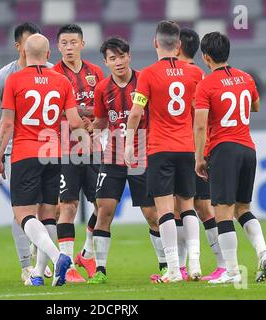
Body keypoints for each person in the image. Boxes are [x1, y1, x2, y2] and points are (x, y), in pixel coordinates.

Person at [0, 34, 85, 286]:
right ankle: (37, 273)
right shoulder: (62, 80)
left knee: (23, 214)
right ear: (48, 55)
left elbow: (7, 123)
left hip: (25, 153)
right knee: (47, 215)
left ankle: (58, 259)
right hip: (53, 152)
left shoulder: (15, 80)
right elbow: (75, 122)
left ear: (24, 53)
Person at [125, 20, 202, 283]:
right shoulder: (194, 74)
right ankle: (194, 264)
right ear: (179, 46)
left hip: (160, 148)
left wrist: (127, 143)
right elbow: (199, 112)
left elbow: (136, 113)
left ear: (155, 43)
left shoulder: (147, 74)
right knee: (188, 206)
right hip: (186, 147)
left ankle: (172, 268)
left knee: (165, 209)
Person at [194, 32, 266, 284]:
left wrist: (199, 157)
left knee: (223, 212)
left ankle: (230, 271)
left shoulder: (206, 84)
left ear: (205, 57)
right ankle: (263, 253)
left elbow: (199, 125)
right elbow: (256, 106)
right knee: (243, 209)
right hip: (247, 149)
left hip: (224, 149)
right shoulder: (246, 77)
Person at [84, 37, 163, 284]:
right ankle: (100, 270)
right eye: (112, 58)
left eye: (121, 56)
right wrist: (89, 128)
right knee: (103, 209)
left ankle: (165, 266)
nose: (118, 62)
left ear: (129, 56)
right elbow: (101, 121)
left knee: (151, 214)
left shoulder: (144, 81)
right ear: (105, 62)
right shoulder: (102, 89)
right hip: (114, 155)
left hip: (142, 154)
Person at [0, 22, 52, 282]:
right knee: (22, 211)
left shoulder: (51, 72)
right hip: (16, 150)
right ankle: (26, 265)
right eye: (25, 43)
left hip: (46, 150)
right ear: (18, 46)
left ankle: (42, 263)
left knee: (45, 210)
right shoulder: (5, 76)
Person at [53, 24, 105, 282]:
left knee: (104, 205)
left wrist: (93, 123)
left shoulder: (95, 73)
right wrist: (80, 117)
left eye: (73, 42)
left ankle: (86, 252)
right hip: (65, 150)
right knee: (69, 206)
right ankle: (68, 267)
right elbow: (53, 113)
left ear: (82, 44)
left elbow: (101, 110)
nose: (69, 47)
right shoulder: (53, 75)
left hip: (93, 149)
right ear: (58, 46)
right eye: (64, 43)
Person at [177, 27, 225, 281]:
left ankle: (182, 267)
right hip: (198, 146)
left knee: (180, 207)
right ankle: (220, 263)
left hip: (180, 147)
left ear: (177, 47)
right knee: (203, 207)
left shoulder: (181, 74)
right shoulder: (202, 75)